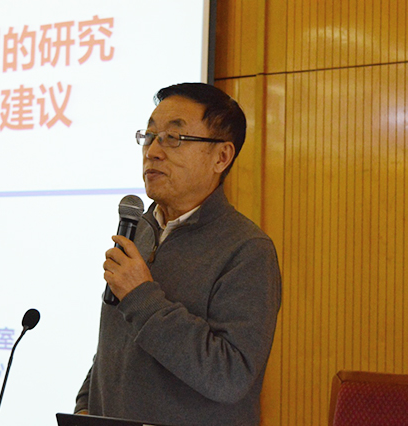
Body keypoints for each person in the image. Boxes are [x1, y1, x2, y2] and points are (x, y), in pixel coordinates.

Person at [74, 82, 282, 426]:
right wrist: (86, 405)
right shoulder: (139, 229)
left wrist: (142, 297)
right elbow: (115, 343)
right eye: (149, 136)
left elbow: (230, 376)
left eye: (174, 138)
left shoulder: (247, 250)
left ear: (221, 157)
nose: (153, 151)